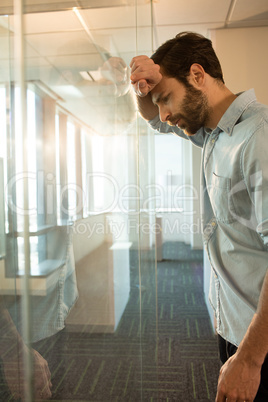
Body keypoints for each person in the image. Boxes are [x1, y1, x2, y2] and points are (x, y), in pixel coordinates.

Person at [130, 31, 268, 402]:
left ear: (197, 74)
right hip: (233, 324)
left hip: (262, 342)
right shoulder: (213, 133)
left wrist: (252, 359)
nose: (164, 114)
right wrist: (143, 88)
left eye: (166, 99)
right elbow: (154, 120)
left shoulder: (259, 138)